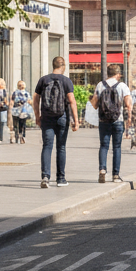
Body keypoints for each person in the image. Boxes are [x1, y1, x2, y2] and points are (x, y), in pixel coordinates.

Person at [33, 56, 78, 188]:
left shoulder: (44, 80)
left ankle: (45, 177)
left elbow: (36, 98)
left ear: (53, 65)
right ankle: (61, 179)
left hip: (46, 117)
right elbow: (72, 100)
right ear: (63, 66)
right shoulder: (66, 81)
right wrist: (76, 120)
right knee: (61, 147)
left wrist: (37, 116)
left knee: (47, 146)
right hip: (62, 117)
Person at [90, 63, 132, 184]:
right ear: (118, 74)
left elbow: (94, 104)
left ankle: (102, 170)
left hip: (103, 121)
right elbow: (129, 105)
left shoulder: (100, 85)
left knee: (104, 146)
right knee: (117, 147)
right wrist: (129, 119)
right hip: (117, 120)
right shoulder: (122, 86)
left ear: (107, 73)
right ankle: (115, 175)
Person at [0, 78, 8, 146]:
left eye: (2, 82)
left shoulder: (4, 91)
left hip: (2, 108)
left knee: (1, 123)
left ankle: (0, 138)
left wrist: (4, 103)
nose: (1, 84)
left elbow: (6, 100)